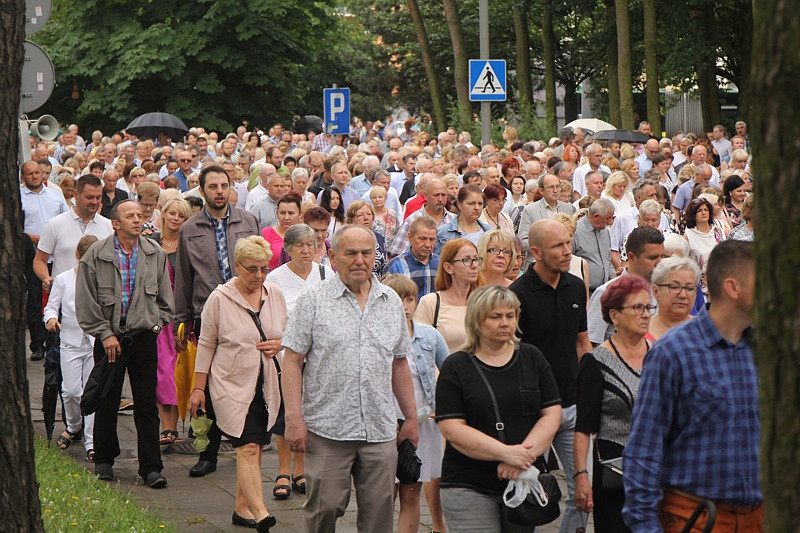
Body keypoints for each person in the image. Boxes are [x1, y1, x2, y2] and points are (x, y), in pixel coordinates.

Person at [281, 224, 419, 533]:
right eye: (351, 253)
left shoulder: (391, 301)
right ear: (333, 257)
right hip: (328, 428)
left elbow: (399, 364)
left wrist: (410, 418)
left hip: (380, 429)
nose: (360, 260)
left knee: (379, 516)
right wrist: (293, 418)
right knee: (324, 509)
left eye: (366, 253)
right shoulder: (313, 300)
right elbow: (292, 361)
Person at [623, 241, 761, 532]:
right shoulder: (673, 352)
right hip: (696, 517)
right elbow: (644, 450)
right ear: (733, 288)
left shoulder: (770, 350)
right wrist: (646, 526)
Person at [435, 285, 562, 531]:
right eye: (495, 316)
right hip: (469, 484)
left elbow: (551, 413)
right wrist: (505, 453)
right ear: (476, 320)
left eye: (510, 315)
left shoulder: (532, 357)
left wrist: (521, 457)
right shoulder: (455, 366)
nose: (505, 323)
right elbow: (451, 428)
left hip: (522, 478)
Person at [189, 236, 286, 532]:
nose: (259, 276)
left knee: (255, 447)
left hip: (267, 385)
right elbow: (206, 343)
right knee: (247, 447)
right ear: (237, 266)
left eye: (264, 268)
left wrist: (280, 344)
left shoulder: (275, 294)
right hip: (230, 384)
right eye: (252, 269)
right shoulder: (219, 298)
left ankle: (241, 508)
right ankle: (261, 512)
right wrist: (198, 388)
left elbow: (288, 332)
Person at [76, 200, 174, 487]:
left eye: (139, 215)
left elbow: (166, 302)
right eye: (129, 216)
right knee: (107, 400)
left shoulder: (155, 253)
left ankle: (151, 468)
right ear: (115, 223)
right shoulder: (96, 255)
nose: (137, 219)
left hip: (143, 337)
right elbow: (86, 301)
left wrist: (155, 326)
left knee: (146, 404)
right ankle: (104, 461)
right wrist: (104, 334)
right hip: (109, 338)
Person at [174, 164, 260, 478]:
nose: (220, 191)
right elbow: (184, 278)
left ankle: (246, 443)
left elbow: (258, 265)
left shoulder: (247, 221)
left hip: (245, 310)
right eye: (213, 187)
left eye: (224, 185)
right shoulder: (190, 228)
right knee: (206, 385)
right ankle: (207, 454)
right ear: (202, 190)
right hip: (206, 312)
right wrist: (181, 322)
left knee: (248, 379)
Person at [510, 219, 593, 533]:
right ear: (536, 252)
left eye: (568, 242)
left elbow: (582, 342)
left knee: (584, 492)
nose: (568, 251)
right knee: (529, 493)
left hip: (572, 405)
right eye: (558, 246)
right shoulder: (517, 295)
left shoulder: (575, 285)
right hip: (533, 413)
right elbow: (511, 356)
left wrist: (589, 388)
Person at [574, 275, 654, 532]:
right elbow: (583, 427)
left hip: (658, 469)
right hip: (615, 472)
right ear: (614, 315)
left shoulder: (660, 354)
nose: (645, 314)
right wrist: (581, 477)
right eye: (637, 307)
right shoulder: (596, 362)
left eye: (648, 307)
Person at [381, 274, 450, 533]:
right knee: (384, 494)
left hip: (421, 420)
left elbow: (451, 372)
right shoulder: (376, 336)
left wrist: (443, 406)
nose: (405, 306)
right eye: (398, 299)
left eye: (410, 299)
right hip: (386, 419)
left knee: (412, 489)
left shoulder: (429, 335)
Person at [44, 235, 99, 461]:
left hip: (95, 342)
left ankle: (91, 441)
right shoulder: (64, 279)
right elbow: (51, 307)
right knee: (70, 391)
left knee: (91, 392)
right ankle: (74, 425)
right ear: (77, 256)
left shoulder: (102, 279)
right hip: (70, 341)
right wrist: (50, 319)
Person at [154, 198, 192, 445]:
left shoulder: (188, 245)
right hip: (157, 316)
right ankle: (166, 428)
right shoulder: (151, 242)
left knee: (177, 371)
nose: (175, 218)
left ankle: (175, 426)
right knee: (160, 373)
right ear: (164, 214)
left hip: (180, 316)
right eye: (172, 213)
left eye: (181, 215)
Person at [587, 227, 664, 345]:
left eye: (662, 257)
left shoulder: (663, 291)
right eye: (652, 258)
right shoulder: (606, 293)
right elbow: (592, 343)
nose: (659, 263)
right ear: (631, 257)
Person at [416, 238, 483, 353]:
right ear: (448, 267)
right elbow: (421, 350)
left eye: (476, 259)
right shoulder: (431, 302)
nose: (474, 265)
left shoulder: (484, 302)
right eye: (466, 260)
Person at [382, 215, 440, 300]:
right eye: (422, 239)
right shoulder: (395, 266)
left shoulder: (441, 264)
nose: (428, 244)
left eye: (432, 239)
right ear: (410, 237)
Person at [647, 256, 700, 341]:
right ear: (656, 291)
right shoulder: (639, 334)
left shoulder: (706, 331)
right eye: (674, 287)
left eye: (689, 288)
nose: (683, 295)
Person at [572, 198, 615, 292]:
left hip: (604, 290)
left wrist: (613, 275)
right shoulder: (575, 231)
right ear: (596, 216)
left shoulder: (605, 232)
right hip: (583, 291)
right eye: (608, 218)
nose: (610, 222)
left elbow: (607, 259)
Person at [435, 184, 491, 254]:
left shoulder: (489, 232)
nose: (477, 208)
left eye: (480, 204)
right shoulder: (444, 233)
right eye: (472, 203)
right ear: (459, 204)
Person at [261, 191, 303, 271]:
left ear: (300, 214)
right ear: (277, 213)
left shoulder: (305, 236)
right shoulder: (266, 233)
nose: (286, 218)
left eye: (291, 213)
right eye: (282, 213)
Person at [345, 200, 387, 275]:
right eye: (360, 215)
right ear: (351, 220)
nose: (366, 218)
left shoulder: (379, 238)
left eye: (369, 214)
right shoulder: (345, 239)